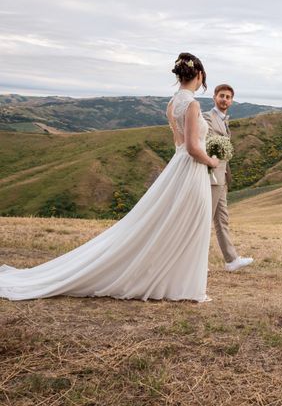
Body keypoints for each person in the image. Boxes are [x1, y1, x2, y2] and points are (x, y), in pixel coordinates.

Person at [0, 53, 218, 302]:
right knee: (189, 223)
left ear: (179, 75)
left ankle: (173, 280)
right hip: (191, 168)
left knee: (172, 222)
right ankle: (180, 283)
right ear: (199, 75)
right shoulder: (192, 105)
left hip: (179, 166)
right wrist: (212, 160)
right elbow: (191, 146)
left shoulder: (172, 104)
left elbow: (178, 143)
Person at [204, 84, 254, 272]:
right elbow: (208, 140)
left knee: (222, 219)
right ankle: (197, 260)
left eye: (228, 97)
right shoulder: (208, 117)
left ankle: (231, 260)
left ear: (232, 101)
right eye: (221, 96)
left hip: (223, 175)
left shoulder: (225, 120)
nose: (225, 99)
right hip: (213, 175)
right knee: (205, 218)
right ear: (214, 97)